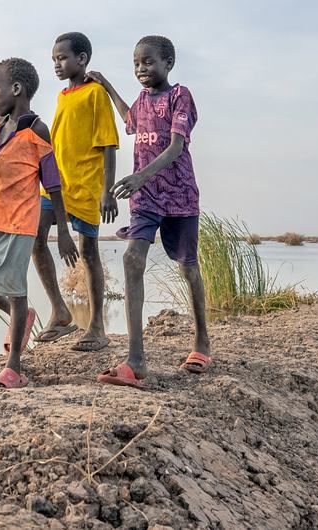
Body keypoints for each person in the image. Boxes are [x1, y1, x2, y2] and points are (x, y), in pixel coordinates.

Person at [87, 36, 210, 389]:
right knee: (132, 259)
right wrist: (107, 85)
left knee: (188, 267)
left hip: (179, 195)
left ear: (168, 63)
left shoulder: (179, 96)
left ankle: (202, 341)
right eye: (136, 64)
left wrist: (140, 175)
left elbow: (175, 147)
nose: (142, 69)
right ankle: (136, 359)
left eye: (149, 62)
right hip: (145, 199)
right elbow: (131, 119)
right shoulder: (141, 102)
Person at [0, 57, 79, 389]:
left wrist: (64, 230)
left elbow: (53, 182)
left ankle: (14, 368)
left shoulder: (36, 130)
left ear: (16, 89)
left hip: (18, 224)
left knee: (15, 290)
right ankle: (21, 316)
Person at [31, 31, 120, 352]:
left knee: (89, 253)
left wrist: (107, 191)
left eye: (62, 58)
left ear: (81, 59)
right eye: (53, 59)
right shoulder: (62, 97)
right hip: (56, 188)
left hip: (86, 187)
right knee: (36, 237)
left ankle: (97, 326)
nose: (56, 64)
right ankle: (61, 311)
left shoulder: (95, 94)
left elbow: (109, 144)